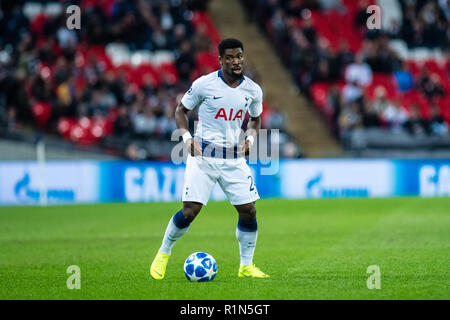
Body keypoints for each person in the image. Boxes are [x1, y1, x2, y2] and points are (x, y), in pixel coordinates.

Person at [150, 38, 269, 280]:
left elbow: (255, 117)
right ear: (221, 60)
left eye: (239, 56)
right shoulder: (204, 85)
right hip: (203, 155)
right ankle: (163, 254)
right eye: (230, 57)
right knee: (190, 211)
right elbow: (180, 110)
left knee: (249, 211)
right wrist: (186, 138)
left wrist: (251, 140)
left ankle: (246, 266)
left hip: (234, 158)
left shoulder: (253, 90)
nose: (236, 61)